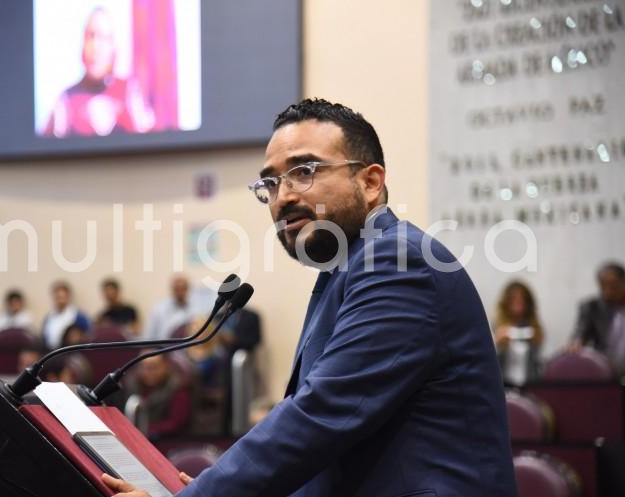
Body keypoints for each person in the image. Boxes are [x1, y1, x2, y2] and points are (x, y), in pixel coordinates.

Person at [103, 99, 517, 497]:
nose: (283, 196)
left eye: (304, 171)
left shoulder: (396, 261)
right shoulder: (347, 269)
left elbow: (321, 414)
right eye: (270, 181)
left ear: (370, 182)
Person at [41, 6, 155, 138]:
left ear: (113, 47)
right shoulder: (66, 100)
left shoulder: (129, 92)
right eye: (90, 36)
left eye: (103, 38)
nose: (95, 46)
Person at [569, 262, 625, 374]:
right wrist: (576, 342)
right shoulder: (592, 307)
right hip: (605, 370)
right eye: (603, 287)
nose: (607, 292)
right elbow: (581, 331)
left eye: (613, 286)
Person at [120, 353, 191, 441]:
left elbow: (175, 424)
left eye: (154, 367)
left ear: (166, 366)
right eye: (145, 367)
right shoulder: (129, 385)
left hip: (164, 441)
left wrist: (144, 429)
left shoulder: (178, 388)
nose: (149, 371)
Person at [493, 281, 544, 386]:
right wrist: (496, 342)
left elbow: (539, 363)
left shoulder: (534, 329)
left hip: (529, 384)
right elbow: (489, 361)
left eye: (522, 300)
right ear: (506, 302)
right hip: (503, 384)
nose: (518, 303)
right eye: (514, 299)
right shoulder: (497, 327)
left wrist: (536, 341)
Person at [143, 276, 215, 341]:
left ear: (188, 289)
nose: (180, 293)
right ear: (172, 289)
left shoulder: (198, 307)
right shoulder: (158, 309)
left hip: (189, 349)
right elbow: (148, 336)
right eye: (177, 289)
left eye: (183, 289)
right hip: (164, 349)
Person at [42, 281, 90, 350]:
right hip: (50, 353)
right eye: (58, 297)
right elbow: (44, 338)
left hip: (70, 352)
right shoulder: (49, 317)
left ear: (68, 297)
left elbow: (86, 336)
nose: (61, 300)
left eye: (63, 297)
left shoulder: (78, 316)